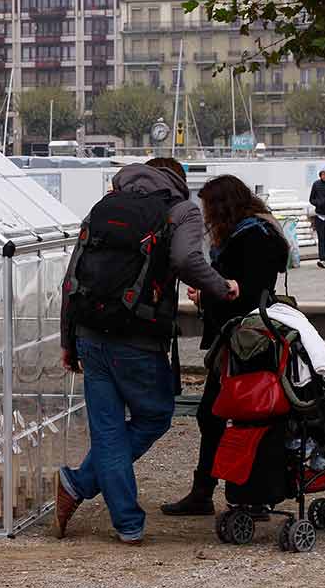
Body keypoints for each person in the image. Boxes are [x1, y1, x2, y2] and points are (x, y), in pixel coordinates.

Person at [55, 158, 240, 545]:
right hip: (137, 336)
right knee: (154, 416)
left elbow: (72, 277)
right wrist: (222, 286)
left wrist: (67, 340)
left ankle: (126, 523)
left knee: (107, 430)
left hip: (90, 331)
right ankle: (79, 484)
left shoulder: (104, 205)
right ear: (178, 180)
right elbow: (188, 260)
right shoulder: (181, 210)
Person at [161, 175, 290, 516]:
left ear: (222, 206)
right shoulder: (258, 231)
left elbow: (248, 289)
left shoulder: (251, 236)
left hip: (245, 341)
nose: (205, 215)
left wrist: (213, 291)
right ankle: (231, 491)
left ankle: (237, 493)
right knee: (226, 414)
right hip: (243, 337)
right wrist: (210, 291)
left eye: (207, 206)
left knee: (225, 414)